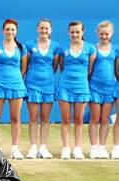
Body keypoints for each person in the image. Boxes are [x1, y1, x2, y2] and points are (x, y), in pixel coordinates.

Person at [0, 18, 28, 160]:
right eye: (7, 29)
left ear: (16, 31)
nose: (10, 32)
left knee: (15, 118)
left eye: (12, 29)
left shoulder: (22, 48)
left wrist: (15, 78)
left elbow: (23, 69)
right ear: (2, 31)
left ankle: (15, 148)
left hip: (17, 85)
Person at [56, 21, 96, 160]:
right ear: (69, 32)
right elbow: (61, 67)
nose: (75, 34)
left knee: (79, 120)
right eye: (72, 32)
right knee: (65, 119)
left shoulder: (90, 48)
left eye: (77, 32)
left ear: (83, 32)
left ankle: (77, 148)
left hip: (81, 87)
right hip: (65, 86)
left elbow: (90, 70)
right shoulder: (63, 48)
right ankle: (66, 148)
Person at [24, 19, 60, 159]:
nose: (44, 31)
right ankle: (33, 147)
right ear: (37, 29)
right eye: (42, 28)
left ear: (50, 30)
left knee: (45, 118)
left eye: (47, 28)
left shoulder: (56, 47)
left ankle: (43, 147)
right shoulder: (29, 45)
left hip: (48, 85)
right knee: (33, 118)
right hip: (32, 85)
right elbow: (25, 65)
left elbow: (55, 66)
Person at [88, 21, 116, 159]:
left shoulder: (115, 49)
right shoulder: (93, 49)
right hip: (94, 87)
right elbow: (89, 69)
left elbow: (116, 70)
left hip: (109, 88)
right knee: (94, 118)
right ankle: (94, 147)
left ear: (111, 34)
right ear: (97, 33)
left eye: (107, 34)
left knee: (105, 119)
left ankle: (102, 147)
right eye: (101, 33)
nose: (104, 36)